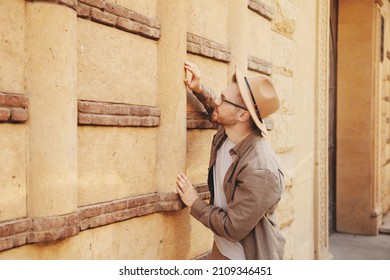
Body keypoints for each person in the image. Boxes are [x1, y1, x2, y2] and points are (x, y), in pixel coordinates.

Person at [176, 61, 285, 260]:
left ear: (243, 115)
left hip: (245, 257)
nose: (217, 101)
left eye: (224, 99)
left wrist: (194, 202)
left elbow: (232, 228)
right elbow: (216, 111)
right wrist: (199, 89)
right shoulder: (229, 132)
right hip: (222, 248)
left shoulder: (261, 171)